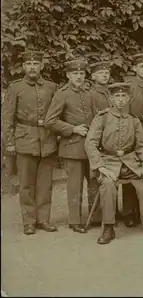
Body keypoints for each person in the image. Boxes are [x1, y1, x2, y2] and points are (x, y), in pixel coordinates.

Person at [84, 82, 143, 244]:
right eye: (117, 96)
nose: (120, 100)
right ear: (111, 99)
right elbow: (90, 143)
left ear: (128, 99)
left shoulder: (133, 120)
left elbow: (142, 145)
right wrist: (100, 166)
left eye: (124, 96)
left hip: (130, 163)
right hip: (109, 163)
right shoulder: (102, 117)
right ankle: (108, 227)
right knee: (107, 184)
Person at [2, 51, 59, 235]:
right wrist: (9, 142)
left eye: (36, 64)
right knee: (26, 184)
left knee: (45, 183)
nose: (32, 67)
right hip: (25, 139)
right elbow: (7, 117)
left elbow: (59, 114)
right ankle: (29, 221)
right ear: (24, 67)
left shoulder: (51, 87)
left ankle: (43, 219)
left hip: (48, 139)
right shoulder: (15, 88)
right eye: (29, 64)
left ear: (42, 66)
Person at [44, 58, 95, 234]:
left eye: (81, 73)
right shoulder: (62, 94)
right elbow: (50, 121)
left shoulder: (89, 93)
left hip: (91, 146)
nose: (79, 77)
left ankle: (95, 217)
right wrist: (73, 129)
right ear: (68, 75)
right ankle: (75, 221)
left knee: (94, 182)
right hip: (72, 147)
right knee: (75, 185)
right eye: (75, 73)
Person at [122, 53, 143, 228]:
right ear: (134, 68)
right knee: (130, 166)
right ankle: (129, 212)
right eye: (141, 67)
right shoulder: (128, 86)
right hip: (132, 128)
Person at [88, 60, 113, 226]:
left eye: (107, 73)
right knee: (95, 178)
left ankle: (111, 211)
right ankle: (97, 215)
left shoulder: (112, 93)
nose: (105, 75)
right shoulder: (90, 94)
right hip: (96, 139)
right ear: (93, 76)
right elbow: (91, 117)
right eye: (101, 73)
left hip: (110, 141)